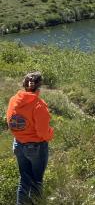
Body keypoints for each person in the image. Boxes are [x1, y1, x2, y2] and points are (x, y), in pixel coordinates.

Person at [6, 72, 54, 205]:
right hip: (36, 147)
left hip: (18, 144)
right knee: (37, 181)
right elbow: (43, 132)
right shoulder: (39, 105)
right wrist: (51, 133)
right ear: (39, 86)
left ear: (24, 85)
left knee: (24, 180)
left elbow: (10, 122)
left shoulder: (13, 100)